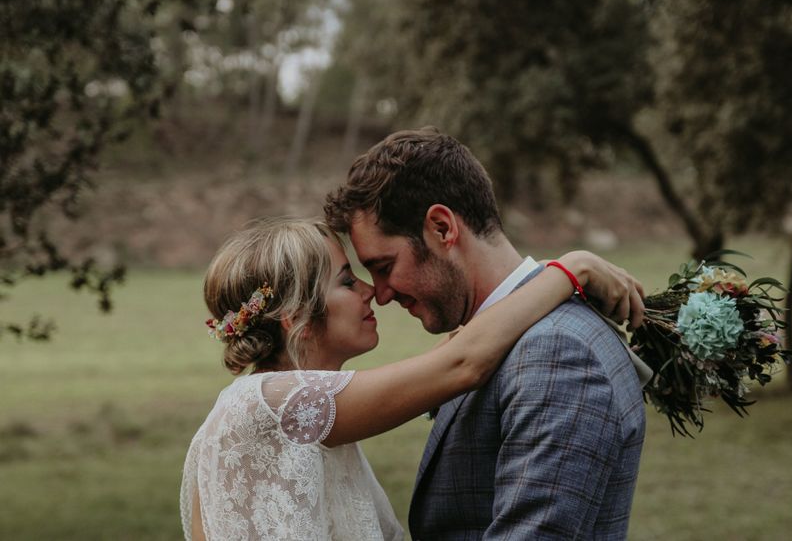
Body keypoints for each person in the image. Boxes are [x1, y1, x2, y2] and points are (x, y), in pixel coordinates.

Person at [181, 216, 642, 540]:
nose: (371, 293)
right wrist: (571, 269)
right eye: (347, 281)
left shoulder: (293, 405)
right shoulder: (267, 403)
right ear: (294, 314)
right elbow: (463, 362)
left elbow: (459, 345)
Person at [324, 127, 648, 540]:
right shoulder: (504, 335)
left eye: (385, 266)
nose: (381, 294)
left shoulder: (556, 353)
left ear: (442, 228)